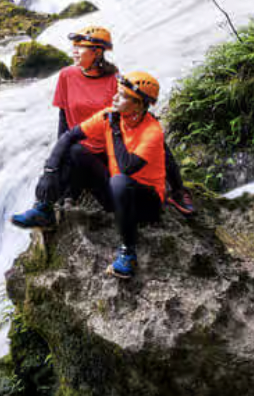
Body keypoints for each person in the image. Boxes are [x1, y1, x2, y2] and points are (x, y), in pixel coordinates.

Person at [14, 26, 195, 222]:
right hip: (82, 145)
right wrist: (57, 161)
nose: (73, 51)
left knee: (158, 141)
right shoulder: (67, 76)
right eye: (74, 46)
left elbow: (130, 115)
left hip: (110, 148)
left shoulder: (114, 79)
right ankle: (43, 207)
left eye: (80, 47)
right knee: (69, 152)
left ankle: (178, 190)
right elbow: (63, 118)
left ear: (97, 52)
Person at [13, 70, 170, 279]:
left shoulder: (152, 131)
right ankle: (44, 209)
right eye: (117, 92)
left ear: (139, 105)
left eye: (122, 96)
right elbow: (69, 136)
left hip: (144, 203)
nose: (115, 97)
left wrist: (114, 129)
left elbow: (127, 168)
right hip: (115, 193)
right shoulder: (110, 115)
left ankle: (128, 253)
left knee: (120, 181)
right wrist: (49, 173)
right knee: (76, 151)